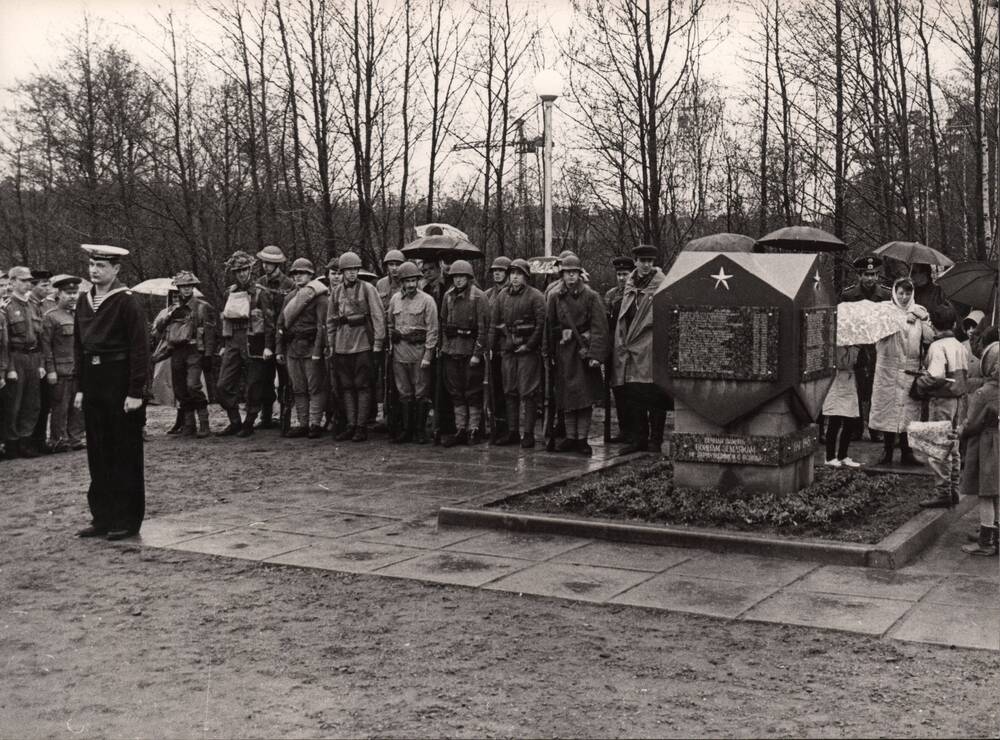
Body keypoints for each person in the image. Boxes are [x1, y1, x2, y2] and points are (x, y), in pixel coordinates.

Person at [73, 244, 150, 540]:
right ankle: (102, 517)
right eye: (92, 264)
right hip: (94, 381)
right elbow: (79, 347)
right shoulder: (84, 300)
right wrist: (80, 387)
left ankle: (126, 519)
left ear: (116, 269)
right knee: (98, 451)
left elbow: (140, 348)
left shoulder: (126, 301)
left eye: (102, 266)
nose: (94, 270)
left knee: (123, 451)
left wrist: (135, 391)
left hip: (120, 380)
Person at [545, 255, 609, 456]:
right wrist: (553, 343)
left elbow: (600, 327)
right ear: (562, 274)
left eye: (574, 272)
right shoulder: (555, 297)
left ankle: (582, 439)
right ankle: (570, 437)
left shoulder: (591, 296)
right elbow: (549, 325)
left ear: (580, 274)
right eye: (566, 272)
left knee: (583, 398)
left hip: (583, 353)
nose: (570, 276)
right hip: (564, 353)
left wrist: (595, 355)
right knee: (566, 398)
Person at [869, 278, 933, 465]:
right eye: (901, 293)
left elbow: (929, 338)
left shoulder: (920, 310)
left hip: (910, 368)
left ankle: (907, 453)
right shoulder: (884, 309)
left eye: (907, 293)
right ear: (894, 293)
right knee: (887, 410)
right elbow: (877, 332)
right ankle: (887, 451)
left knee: (908, 412)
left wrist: (922, 318)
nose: (904, 297)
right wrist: (902, 319)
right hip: (888, 367)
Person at [612, 246, 667, 454]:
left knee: (654, 396)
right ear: (635, 261)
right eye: (643, 260)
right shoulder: (630, 284)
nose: (647, 265)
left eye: (650, 261)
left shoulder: (661, 284)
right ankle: (639, 439)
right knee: (634, 396)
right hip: (629, 348)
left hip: (650, 347)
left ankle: (656, 440)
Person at [914, 304, 969, 507]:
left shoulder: (937, 347)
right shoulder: (959, 345)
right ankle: (954, 487)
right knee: (953, 445)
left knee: (939, 447)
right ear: (954, 324)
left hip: (942, 400)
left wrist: (920, 384)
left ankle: (942, 491)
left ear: (933, 325)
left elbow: (936, 376)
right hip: (958, 400)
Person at [216, 250, 275, 437]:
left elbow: (269, 323)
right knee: (223, 384)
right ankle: (234, 421)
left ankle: (249, 422)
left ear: (250, 270)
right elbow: (225, 320)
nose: (241, 273)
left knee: (253, 385)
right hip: (233, 341)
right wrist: (224, 344)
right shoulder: (230, 293)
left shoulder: (261, 293)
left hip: (254, 342)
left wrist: (268, 346)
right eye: (237, 270)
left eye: (244, 269)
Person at [326, 251, 384, 442]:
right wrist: (332, 345)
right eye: (348, 270)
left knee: (363, 386)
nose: (351, 273)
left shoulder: (368, 289)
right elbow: (331, 321)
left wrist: (378, 343)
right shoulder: (335, 292)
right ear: (342, 272)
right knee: (347, 387)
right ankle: (351, 425)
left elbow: (377, 316)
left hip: (363, 344)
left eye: (355, 269)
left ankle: (361, 426)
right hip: (342, 346)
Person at [489, 258, 545, 448]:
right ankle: (513, 432)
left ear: (526, 276)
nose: (514, 277)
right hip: (508, 350)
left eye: (519, 274)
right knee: (509, 391)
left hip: (527, 351)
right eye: (512, 273)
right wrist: (491, 347)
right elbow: (494, 323)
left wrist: (529, 345)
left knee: (528, 392)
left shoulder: (536, 296)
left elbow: (540, 325)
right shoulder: (502, 296)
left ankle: (528, 433)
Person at [841, 255, 891, 442]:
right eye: (866, 275)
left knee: (877, 388)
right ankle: (855, 427)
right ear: (859, 276)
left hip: (879, 347)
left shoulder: (886, 295)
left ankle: (876, 427)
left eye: (874, 275)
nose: (871, 279)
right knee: (856, 387)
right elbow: (844, 322)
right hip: (857, 346)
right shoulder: (849, 295)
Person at [276, 258, 329, 439]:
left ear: (311, 275)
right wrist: (278, 350)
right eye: (295, 274)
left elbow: (322, 327)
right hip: (293, 348)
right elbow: (280, 325)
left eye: (303, 273)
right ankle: (303, 423)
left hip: (311, 347)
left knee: (315, 387)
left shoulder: (320, 298)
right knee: (298, 388)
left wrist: (317, 351)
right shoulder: (290, 298)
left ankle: (315, 423)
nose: (298, 277)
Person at [387, 261, 438, 444]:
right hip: (399, 355)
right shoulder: (394, 300)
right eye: (406, 281)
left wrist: (428, 356)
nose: (410, 285)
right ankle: (407, 430)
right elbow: (390, 324)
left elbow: (432, 330)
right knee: (404, 393)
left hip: (419, 354)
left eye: (413, 280)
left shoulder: (427, 301)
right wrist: (392, 345)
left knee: (421, 393)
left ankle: (420, 431)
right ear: (401, 282)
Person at [439, 260, 489, 446]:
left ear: (469, 277)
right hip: (452, 351)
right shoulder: (448, 296)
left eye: (462, 277)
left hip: (470, 351)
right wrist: (445, 348)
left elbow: (483, 329)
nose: (458, 280)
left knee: (473, 392)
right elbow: (443, 324)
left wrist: (477, 353)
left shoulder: (478, 297)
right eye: (455, 277)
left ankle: (474, 428)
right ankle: (460, 428)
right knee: (456, 392)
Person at [162, 271, 216, 438]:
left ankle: (204, 423)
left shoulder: (202, 307)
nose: (186, 289)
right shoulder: (173, 309)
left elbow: (210, 333)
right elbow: (159, 329)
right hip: (177, 351)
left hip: (194, 350)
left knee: (193, 385)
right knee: (180, 388)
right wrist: (169, 315)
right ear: (178, 288)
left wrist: (208, 355)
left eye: (189, 286)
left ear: (193, 287)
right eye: (183, 286)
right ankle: (189, 424)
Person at [959, 340, 999, 556]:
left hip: (986, 446)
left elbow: (972, 423)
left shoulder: (984, 393)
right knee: (998, 494)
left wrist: (960, 431)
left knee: (985, 495)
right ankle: (997, 536)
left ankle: (985, 542)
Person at [1, 266, 45, 459]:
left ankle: (26, 441)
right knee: (14, 403)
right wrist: (9, 368)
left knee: (32, 402)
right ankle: (12, 443)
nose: (28, 283)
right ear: (12, 282)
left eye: (29, 280)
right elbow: (5, 343)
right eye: (23, 280)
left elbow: (41, 338)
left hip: (33, 357)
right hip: (16, 357)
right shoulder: (7, 307)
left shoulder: (34, 306)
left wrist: (42, 364)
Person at [40, 274, 85, 453]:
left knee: (78, 406)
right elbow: (46, 346)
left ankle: (75, 438)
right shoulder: (51, 317)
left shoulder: (81, 316)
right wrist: (50, 370)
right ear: (59, 294)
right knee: (60, 406)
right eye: (68, 293)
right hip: (60, 370)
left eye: (75, 293)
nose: (73, 296)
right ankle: (58, 440)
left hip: (78, 369)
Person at [255, 245, 294, 429]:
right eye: (264, 262)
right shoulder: (259, 283)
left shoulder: (289, 284)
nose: (266, 266)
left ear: (277, 264)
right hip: (264, 338)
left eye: (270, 263)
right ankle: (266, 417)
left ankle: (285, 418)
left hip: (284, 338)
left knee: (285, 380)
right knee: (265, 379)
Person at [605, 255, 635, 444]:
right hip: (615, 347)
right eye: (619, 274)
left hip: (632, 348)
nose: (622, 278)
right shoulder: (611, 295)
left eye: (625, 274)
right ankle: (624, 430)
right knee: (619, 391)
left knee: (634, 392)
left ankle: (636, 432)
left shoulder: (635, 293)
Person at [483, 256, 511, 442]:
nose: (497, 273)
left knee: (509, 390)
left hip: (509, 346)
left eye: (501, 270)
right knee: (494, 391)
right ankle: (497, 427)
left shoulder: (514, 293)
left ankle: (510, 428)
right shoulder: (487, 295)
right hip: (493, 348)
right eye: (495, 271)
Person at [821, 344, 862, 467]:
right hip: (836, 383)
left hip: (849, 384)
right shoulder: (834, 347)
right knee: (835, 422)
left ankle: (843, 454)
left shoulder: (856, 348)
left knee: (850, 422)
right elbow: (838, 364)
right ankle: (829, 456)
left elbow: (857, 364)